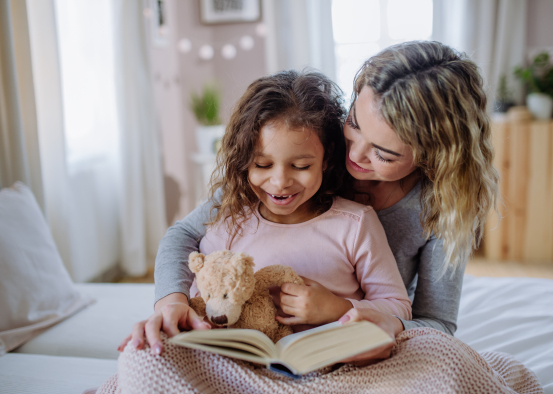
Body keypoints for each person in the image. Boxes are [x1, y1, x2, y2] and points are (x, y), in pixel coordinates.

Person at [119, 41, 498, 364]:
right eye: (355, 123)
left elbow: (437, 325)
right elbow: (186, 234)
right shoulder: (308, 146)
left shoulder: (439, 210)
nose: (356, 156)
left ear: (435, 156)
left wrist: (353, 314)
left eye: (383, 153)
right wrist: (171, 302)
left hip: (353, 338)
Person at [119, 69, 412, 354]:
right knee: (141, 354)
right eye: (262, 165)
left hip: (319, 364)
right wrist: (173, 305)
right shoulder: (230, 212)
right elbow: (183, 250)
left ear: (326, 159)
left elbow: (398, 306)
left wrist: (338, 308)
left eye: (301, 166)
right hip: (230, 362)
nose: (280, 181)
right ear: (244, 160)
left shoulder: (355, 224)